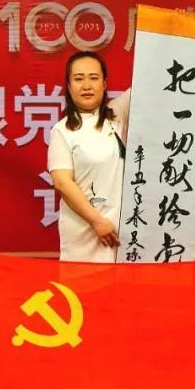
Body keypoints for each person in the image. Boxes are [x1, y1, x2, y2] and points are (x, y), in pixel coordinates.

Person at [48, 50, 131, 262]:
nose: (86, 86)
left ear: (104, 84)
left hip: (124, 234)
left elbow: (149, 82)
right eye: (78, 79)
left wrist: (171, 35)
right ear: (69, 86)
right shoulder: (62, 131)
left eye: (93, 78)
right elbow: (62, 183)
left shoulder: (117, 115)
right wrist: (97, 222)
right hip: (84, 233)